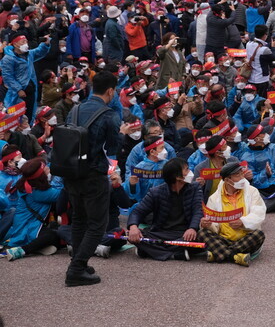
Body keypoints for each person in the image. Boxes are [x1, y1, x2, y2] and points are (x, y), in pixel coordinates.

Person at [61, 70, 119, 287]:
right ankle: (76, 269)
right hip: (94, 175)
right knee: (97, 224)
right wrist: (120, 132)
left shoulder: (74, 110)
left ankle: (79, 263)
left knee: (79, 219)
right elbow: (113, 147)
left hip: (71, 172)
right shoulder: (109, 114)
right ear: (111, 91)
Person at [126, 157, 205, 261]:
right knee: (132, 235)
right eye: (186, 169)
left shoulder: (195, 188)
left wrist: (193, 228)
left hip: (184, 233)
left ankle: (149, 250)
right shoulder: (156, 192)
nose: (190, 172)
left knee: (203, 237)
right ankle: (175, 254)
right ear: (178, 177)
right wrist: (133, 227)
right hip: (161, 232)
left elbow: (197, 211)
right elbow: (138, 211)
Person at [200, 161, 266, 266]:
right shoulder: (214, 198)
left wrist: (243, 222)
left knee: (259, 235)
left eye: (241, 173)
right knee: (203, 233)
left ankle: (219, 253)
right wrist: (208, 225)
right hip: (223, 239)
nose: (242, 177)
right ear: (227, 180)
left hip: (244, 237)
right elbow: (215, 226)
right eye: (237, 175)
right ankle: (235, 256)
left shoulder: (252, 191)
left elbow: (259, 213)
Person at [3, 158, 64, 261]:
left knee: (57, 232)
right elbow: (61, 194)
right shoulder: (38, 193)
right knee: (55, 235)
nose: (47, 167)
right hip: (27, 230)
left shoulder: (28, 184)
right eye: (45, 167)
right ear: (41, 176)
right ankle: (23, 250)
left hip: (28, 226)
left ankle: (37, 247)